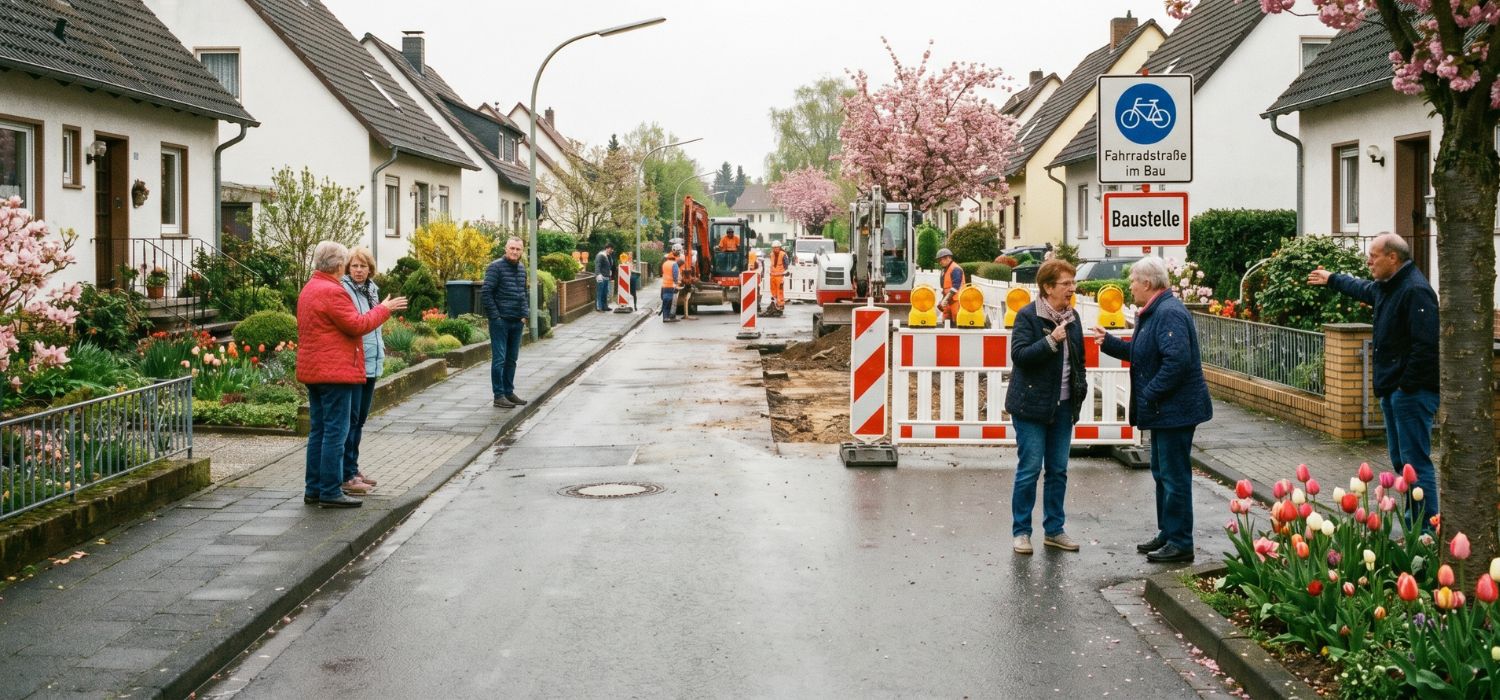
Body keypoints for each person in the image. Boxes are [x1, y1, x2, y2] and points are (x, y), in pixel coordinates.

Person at [1307, 232, 1439, 523]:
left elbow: (1426, 346)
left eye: (1374, 255)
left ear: (1393, 257)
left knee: (1415, 464)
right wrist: (1332, 278)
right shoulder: (1387, 287)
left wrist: (1406, 387)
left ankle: (1428, 530)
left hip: (1410, 393)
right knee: (1401, 463)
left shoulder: (1415, 291)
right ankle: (1413, 522)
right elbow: (1362, 288)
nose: (1368, 261)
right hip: (1394, 391)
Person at [1092, 256, 1212, 563]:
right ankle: (1168, 533)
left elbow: (1177, 361)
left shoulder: (1168, 313)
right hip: (1164, 411)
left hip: (1175, 411)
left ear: (1147, 283)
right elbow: (1144, 353)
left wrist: (1150, 392)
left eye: (1132, 281)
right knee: (1162, 473)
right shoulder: (1156, 311)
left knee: (1174, 477)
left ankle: (1181, 542)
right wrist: (1110, 343)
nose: (1130, 286)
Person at [297, 241, 406, 508]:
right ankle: (331, 491)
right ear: (338, 265)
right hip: (334, 372)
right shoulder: (333, 291)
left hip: (315, 370)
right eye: (347, 263)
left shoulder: (310, 288)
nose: (350, 268)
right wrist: (384, 309)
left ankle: (314, 488)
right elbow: (357, 324)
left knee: (319, 430)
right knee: (336, 431)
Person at [1008, 259, 1086, 554]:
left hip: (1063, 406)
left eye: (1073, 282)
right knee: (1029, 469)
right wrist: (1051, 341)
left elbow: (1080, 361)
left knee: (1058, 470)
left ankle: (1054, 529)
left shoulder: (1073, 317)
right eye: (1066, 283)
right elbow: (1020, 356)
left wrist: (1080, 390)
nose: (1072, 288)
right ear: (1048, 287)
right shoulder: (1028, 316)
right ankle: (1021, 531)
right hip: (1031, 407)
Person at [339, 246, 385, 495]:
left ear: (370, 269)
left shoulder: (371, 290)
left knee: (361, 420)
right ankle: (347, 473)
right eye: (354, 266)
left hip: (372, 362)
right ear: (347, 268)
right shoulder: (345, 290)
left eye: (363, 266)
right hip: (355, 363)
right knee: (352, 420)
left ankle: (354, 469)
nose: (358, 271)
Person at [482, 236, 529, 409]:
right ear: (506, 249)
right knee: (499, 359)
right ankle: (499, 395)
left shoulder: (522, 268)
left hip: (517, 321)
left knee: (512, 359)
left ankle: (509, 392)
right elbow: (486, 293)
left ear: (522, 251)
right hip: (501, 322)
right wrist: (496, 317)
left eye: (518, 249)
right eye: (512, 248)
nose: (515, 252)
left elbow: (523, 293)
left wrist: (524, 315)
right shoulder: (495, 267)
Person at [936, 247, 963, 325]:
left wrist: (945, 299)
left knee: (957, 319)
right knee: (946, 320)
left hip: (956, 300)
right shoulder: (945, 269)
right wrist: (944, 299)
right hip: (949, 300)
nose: (940, 262)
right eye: (939, 260)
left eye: (942, 259)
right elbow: (945, 287)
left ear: (949, 258)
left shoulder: (955, 269)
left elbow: (955, 287)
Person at [677, 245, 699, 320]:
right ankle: (686, 314)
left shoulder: (680, 263)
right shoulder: (684, 262)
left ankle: (685, 314)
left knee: (685, 299)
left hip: (682, 284)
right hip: (682, 284)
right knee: (685, 299)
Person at [661, 249, 681, 322]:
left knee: (665, 301)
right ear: (674, 258)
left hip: (664, 286)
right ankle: (670, 317)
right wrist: (676, 283)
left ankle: (665, 317)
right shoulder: (674, 264)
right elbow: (675, 274)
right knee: (671, 303)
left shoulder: (665, 263)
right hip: (671, 286)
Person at [769, 240, 789, 313]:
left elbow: (786, 264)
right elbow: (772, 264)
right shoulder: (771, 254)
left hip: (780, 276)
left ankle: (781, 304)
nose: (775, 249)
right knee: (773, 290)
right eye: (774, 248)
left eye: (776, 248)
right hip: (772, 275)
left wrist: (786, 271)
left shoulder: (783, 254)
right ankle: (774, 303)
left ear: (779, 247)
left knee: (779, 291)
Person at [594, 243, 615, 312]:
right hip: (601, 277)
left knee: (605, 292)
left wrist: (610, 273)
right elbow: (597, 265)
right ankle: (599, 307)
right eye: (611, 249)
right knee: (600, 292)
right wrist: (598, 274)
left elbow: (609, 265)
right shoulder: (600, 255)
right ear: (608, 248)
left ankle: (605, 306)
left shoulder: (608, 256)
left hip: (606, 277)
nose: (612, 250)